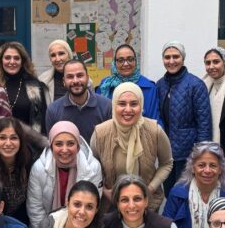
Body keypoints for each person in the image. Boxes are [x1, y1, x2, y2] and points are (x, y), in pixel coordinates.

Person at [90, 82, 173, 212]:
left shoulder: (154, 131)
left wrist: (149, 189)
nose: (128, 110)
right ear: (114, 105)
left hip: (146, 205)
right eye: (122, 104)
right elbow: (92, 168)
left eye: (134, 104)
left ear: (141, 105)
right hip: (111, 206)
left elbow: (167, 163)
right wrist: (105, 191)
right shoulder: (100, 133)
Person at [154, 41, 212, 191]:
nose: (171, 61)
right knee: (169, 192)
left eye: (176, 56)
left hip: (188, 153)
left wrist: (201, 154)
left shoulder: (196, 85)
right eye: (167, 57)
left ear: (183, 58)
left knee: (186, 193)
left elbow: (204, 123)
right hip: (166, 153)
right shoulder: (160, 85)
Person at [163, 141, 225, 228]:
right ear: (193, 168)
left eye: (213, 165)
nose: (207, 170)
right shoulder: (177, 194)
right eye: (201, 165)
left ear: (220, 169)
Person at [27, 121, 102, 228]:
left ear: (78, 146)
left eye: (70, 144)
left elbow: (92, 206)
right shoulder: (39, 168)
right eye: (58, 144)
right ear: (51, 146)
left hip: (82, 225)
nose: (65, 149)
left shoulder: (93, 167)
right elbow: (35, 209)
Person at [45, 60, 112, 142]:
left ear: (87, 78)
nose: (75, 81)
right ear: (64, 81)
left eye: (80, 75)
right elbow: (52, 144)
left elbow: (110, 143)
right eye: (70, 77)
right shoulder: (53, 110)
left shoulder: (107, 106)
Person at [202, 47, 225, 176]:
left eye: (216, 62)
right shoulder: (204, 85)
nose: (211, 66)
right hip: (211, 148)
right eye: (208, 63)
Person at [0, 42, 48, 132]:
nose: (12, 62)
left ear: (22, 62)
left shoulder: (34, 86)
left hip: (29, 139)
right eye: (7, 58)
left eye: (16, 58)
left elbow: (42, 121)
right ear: (1, 61)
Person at [96, 44, 159, 120]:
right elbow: (98, 117)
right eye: (120, 60)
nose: (126, 64)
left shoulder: (149, 87)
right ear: (114, 63)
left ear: (135, 61)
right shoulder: (105, 86)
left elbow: (154, 121)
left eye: (130, 59)